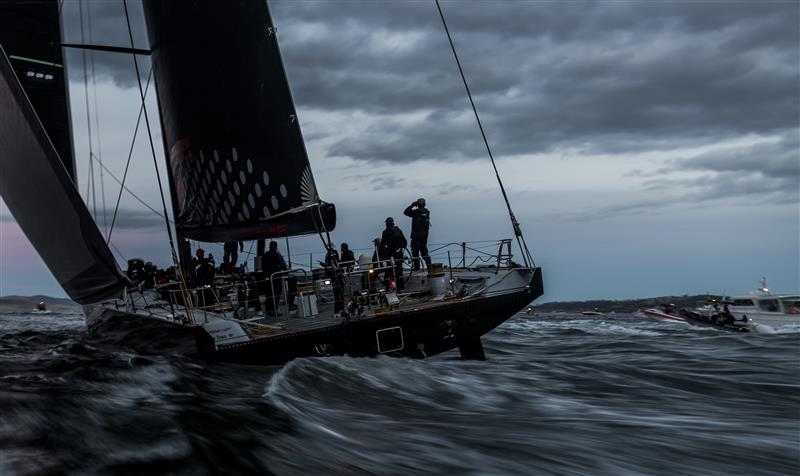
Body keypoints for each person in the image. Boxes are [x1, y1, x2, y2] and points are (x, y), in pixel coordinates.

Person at [404, 198, 431, 270]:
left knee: (415, 253)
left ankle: (416, 268)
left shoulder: (416, 212)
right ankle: (429, 266)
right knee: (424, 252)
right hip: (424, 236)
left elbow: (406, 212)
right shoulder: (427, 212)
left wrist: (412, 205)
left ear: (418, 205)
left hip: (416, 236)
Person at [380, 217, 407, 291]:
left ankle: (389, 288)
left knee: (389, 273)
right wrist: (401, 250)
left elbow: (382, 245)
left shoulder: (385, 232)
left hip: (391, 255)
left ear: (387, 224)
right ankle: (401, 288)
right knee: (399, 273)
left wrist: (383, 255)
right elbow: (405, 242)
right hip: (399, 255)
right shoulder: (398, 230)